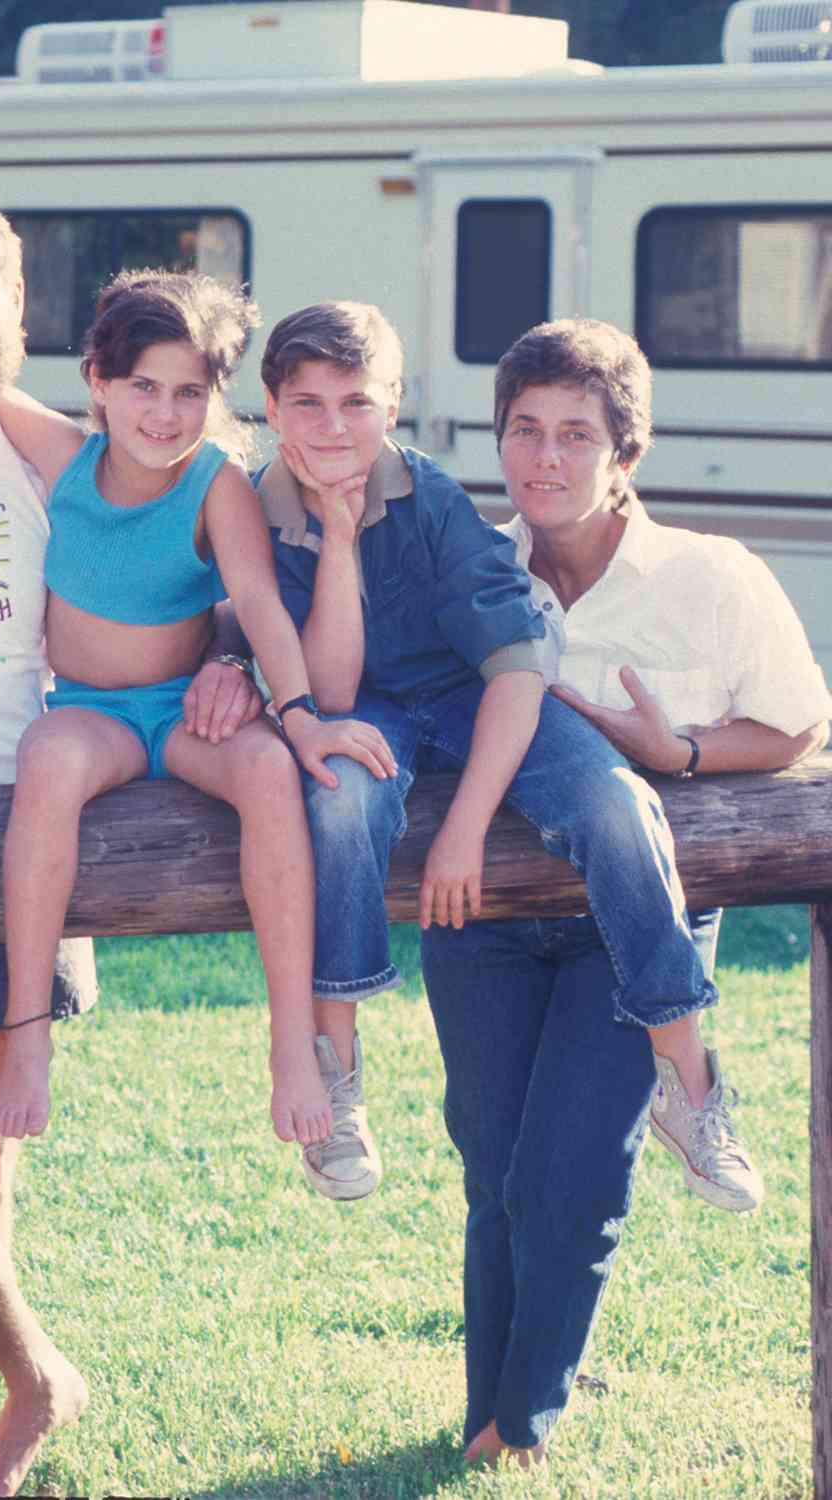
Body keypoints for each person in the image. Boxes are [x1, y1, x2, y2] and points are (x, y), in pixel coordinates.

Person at [0, 193, 269, 1497]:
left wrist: (234, 665)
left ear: (16, 305)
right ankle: (39, 1377)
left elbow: (204, 554)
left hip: (31, 834)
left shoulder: (73, 456)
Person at [421, 318, 829, 1466]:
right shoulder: (465, 576)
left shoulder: (708, 576)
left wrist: (682, 751)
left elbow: (797, 721)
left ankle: (521, 1429)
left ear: (623, 453)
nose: (542, 458)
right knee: (491, 1161)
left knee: (568, 1173)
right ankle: (485, 1415)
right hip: (486, 922)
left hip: (630, 929)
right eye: (521, 432)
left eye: (573, 436)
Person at [258, 301, 727, 1203]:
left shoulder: (429, 496)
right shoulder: (258, 506)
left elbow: (516, 667)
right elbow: (338, 693)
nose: (331, 426)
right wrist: (342, 537)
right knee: (342, 799)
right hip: (368, 714)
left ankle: (688, 1077)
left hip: (482, 700)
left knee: (619, 806)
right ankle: (338, 1068)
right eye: (306, 404)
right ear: (271, 410)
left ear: (391, 407)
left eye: (356, 403)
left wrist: (466, 825)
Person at [0, 272, 395, 1161]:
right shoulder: (63, 458)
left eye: (188, 393)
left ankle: (294, 1041)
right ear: (98, 379)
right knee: (46, 759)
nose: (164, 415)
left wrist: (299, 720)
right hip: (92, 715)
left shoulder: (216, 484)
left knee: (268, 771)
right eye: (143, 387)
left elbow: (258, 603)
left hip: (182, 713)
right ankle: (27, 1030)